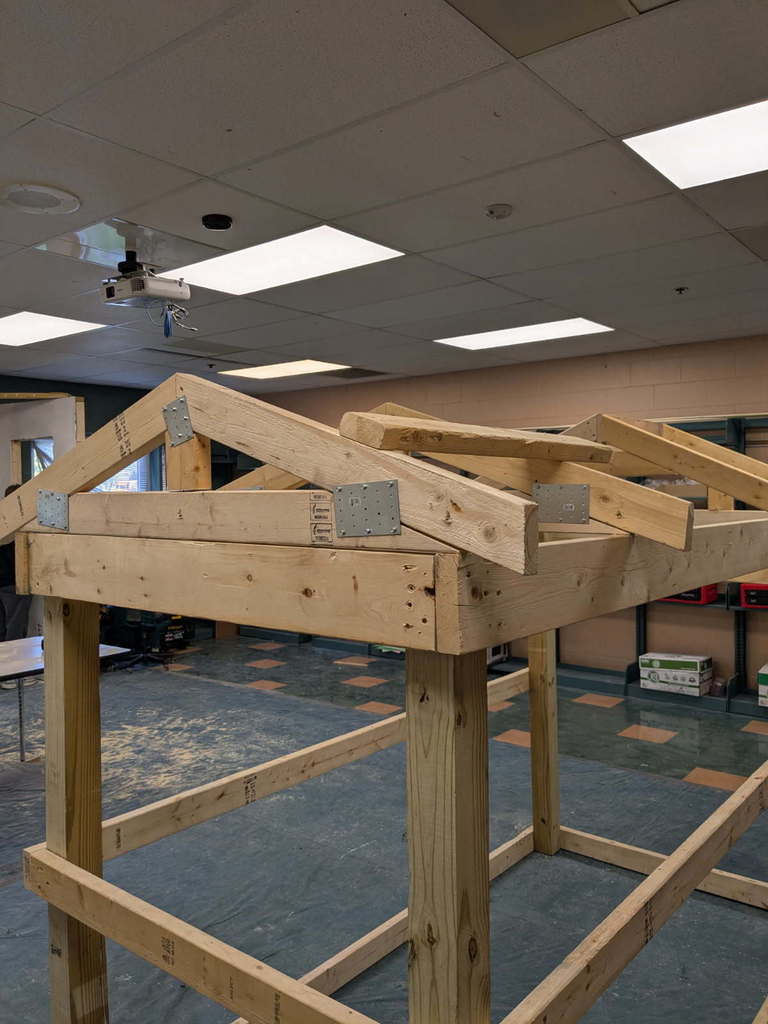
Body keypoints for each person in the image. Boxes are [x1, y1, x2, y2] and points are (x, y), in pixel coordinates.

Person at [0, 483, 32, 641]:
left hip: (5, 582)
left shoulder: (3, 517)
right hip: (14, 583)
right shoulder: (20, 520)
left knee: (4, 629)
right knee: (15, 629)